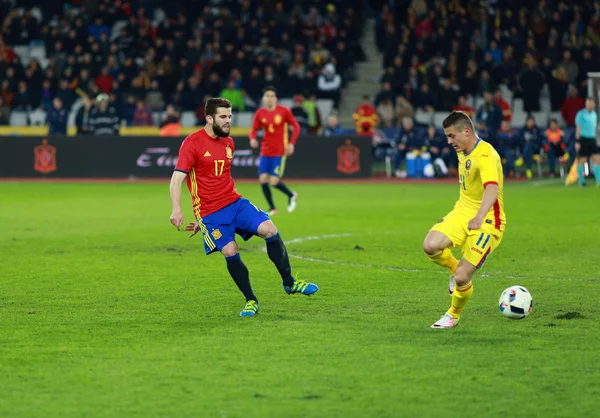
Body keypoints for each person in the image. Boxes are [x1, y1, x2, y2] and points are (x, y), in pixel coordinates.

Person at [169, 98, 318, 317]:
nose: (228, 121)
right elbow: (176, 179)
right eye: (223, 117)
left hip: (235, 202)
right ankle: (251, 301)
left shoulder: (228, 143)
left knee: (270, 229)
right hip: (211, 213)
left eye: (229, 116)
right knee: (230, 251)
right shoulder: (192, 143)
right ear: (209, 119)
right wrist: (178, 210)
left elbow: (220, 178)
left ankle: (290, 283)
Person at [422, 111, 506, 329]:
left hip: (487, 221)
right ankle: (454, 266)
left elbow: (492, 189)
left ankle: (453, 314)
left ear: (466, 132)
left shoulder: (486, 155)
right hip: (461, 212)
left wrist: (479, 216)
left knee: (462, 278)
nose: (449, 142)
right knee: (430, 246)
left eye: (452, 136)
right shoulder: (463, 149)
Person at [249, 86, 301, 216]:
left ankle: (291, 195)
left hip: (279, 151)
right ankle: (272, 208)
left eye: (272, 96)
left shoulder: (284, 111)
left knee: (273, 181)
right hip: (265, 151)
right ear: (263, 98)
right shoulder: (260, 113)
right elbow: (254, 130)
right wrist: (252, 139)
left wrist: (291, 143)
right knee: (262, 179)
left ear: (276, 98)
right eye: (267, 96)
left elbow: (296, 126)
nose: (270, 98)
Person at [574, 97, 599, 187]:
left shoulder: (594, 115)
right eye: (588, 103)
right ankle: (581, 181)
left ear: (594, 104)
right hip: (583, 139)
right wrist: (577, 141)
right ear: (585, 103)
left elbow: (594, 128)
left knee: (597, 159)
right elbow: (578, 128)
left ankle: (599, 181)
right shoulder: (581, 114)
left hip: (592, 139)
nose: (590, 105)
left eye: (592, 103)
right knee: (582, 160)